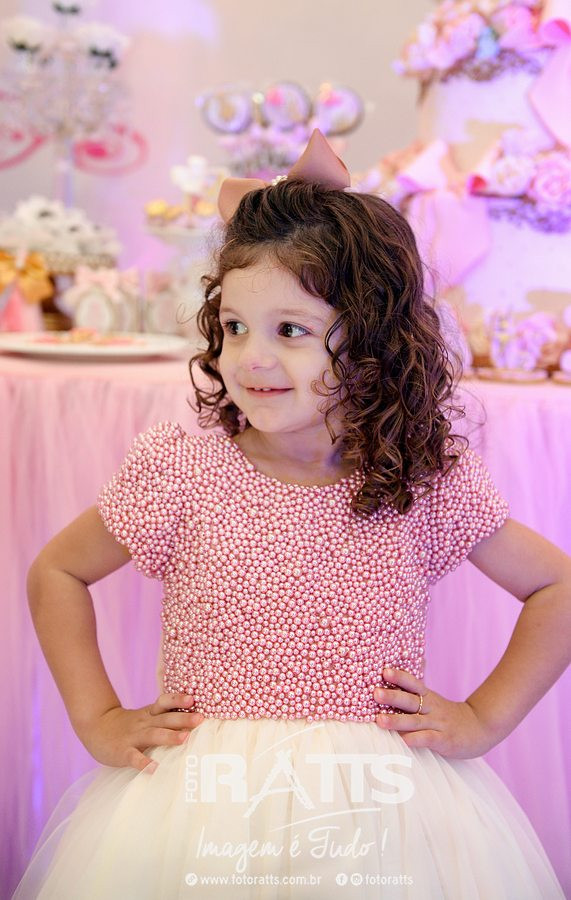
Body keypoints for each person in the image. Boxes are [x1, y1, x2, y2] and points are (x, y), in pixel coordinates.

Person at [13, 131, 569, 899]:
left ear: (372, 341)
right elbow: (58, 570)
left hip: (378, 811)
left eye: (291, 331)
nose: (250, 359)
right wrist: (97, 716)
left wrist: (481, 718)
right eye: (235, 326)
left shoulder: (421, 483)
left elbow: (556, 588)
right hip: (201, 807)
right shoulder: (182, 468)